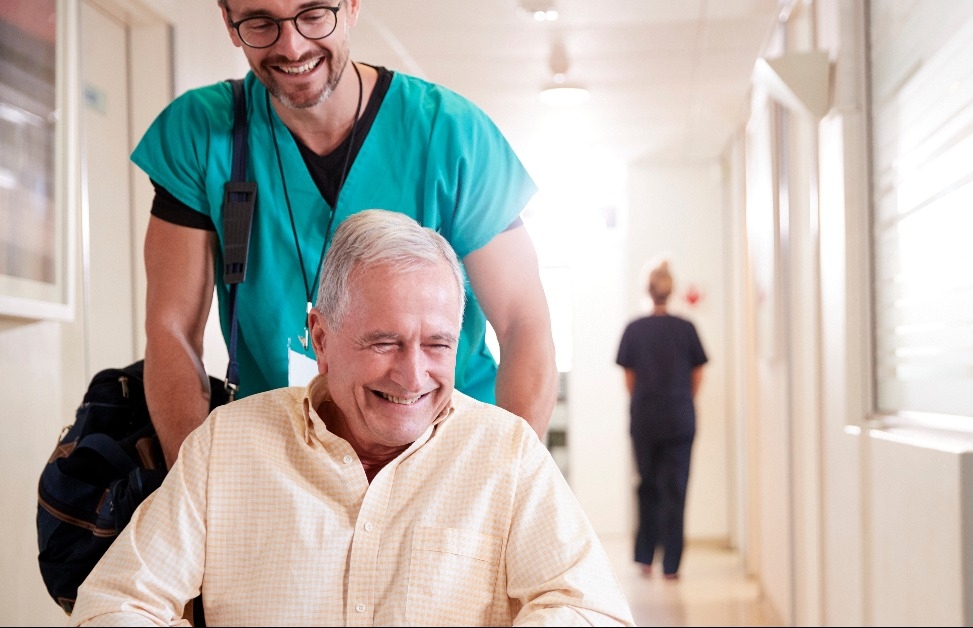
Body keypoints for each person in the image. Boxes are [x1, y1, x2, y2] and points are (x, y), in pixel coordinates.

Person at [69, 211, 635, 626]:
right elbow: (117, 605)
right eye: (385, 342)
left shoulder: (505, 452)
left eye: (437, 345)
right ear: (321, 338)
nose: (413, 376)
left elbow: (592, 611)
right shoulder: (228, 446)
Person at [138, 0, 558, 468]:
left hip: (446, 453)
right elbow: (170, 329)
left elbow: (524, 323)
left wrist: (511, 482)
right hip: (281, 456)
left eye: (314, 14)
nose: (292, 46)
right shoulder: (201, 133)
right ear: (229, 22)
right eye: (260, 23)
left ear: (352, 5)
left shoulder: (451, 134)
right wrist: (197, 484)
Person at [615, 260, 708, 580]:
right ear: (672, 290)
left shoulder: (634, 329)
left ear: (648, 290)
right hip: (680, 418)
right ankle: (671, 564)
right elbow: (698, 374)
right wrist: (681, 399)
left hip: (645, 419)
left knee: (647, 486)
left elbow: (629, 379)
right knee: (676, 490)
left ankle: (644, 557)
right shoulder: (687, 329)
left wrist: (646, 401)